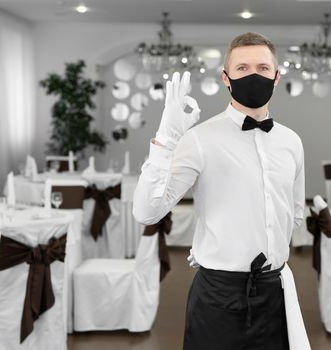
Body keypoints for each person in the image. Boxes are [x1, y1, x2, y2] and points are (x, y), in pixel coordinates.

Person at [133, 32, 310, 350]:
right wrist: (167, 137)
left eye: (262, 67)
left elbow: (294, 214)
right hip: (218, 294)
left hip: (275, 293)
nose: (253, 74)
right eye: (242, 68)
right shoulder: (200, 138)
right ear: (226, 79)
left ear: (276, 76)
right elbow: (147, 211)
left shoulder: (292, 142)